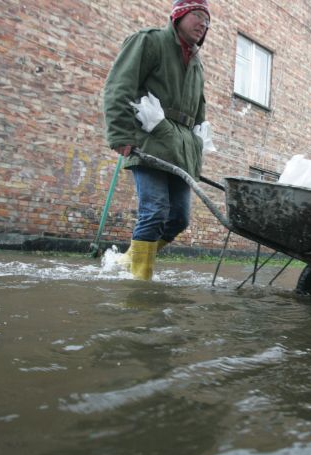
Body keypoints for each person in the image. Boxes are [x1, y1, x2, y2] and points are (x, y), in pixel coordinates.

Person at [103, 0, 210, 280]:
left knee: (178, 219)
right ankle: (140, 284)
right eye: (197, 16)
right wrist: (120, 134)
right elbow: (119, 86)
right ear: (179, 16)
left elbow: (199, 111)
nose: (203, 24)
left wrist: (197, 150)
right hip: (149, 138)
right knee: (155, 211)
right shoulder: (150, 41)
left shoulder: (196, 64)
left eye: (207, 20)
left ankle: (130, 258)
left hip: (182, 146)